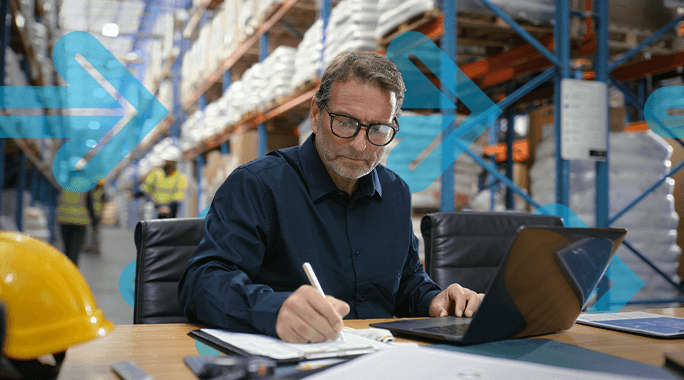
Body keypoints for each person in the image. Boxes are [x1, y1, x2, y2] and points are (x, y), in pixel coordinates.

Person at [178, 51, 484, 343]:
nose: (361, 146)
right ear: (315, 115)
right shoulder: (257, 185)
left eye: (377, 130)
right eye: (346, 124)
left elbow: (406, 282)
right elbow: (202, 282)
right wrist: (273, 310)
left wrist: (435, 299)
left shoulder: (395, 192)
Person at [139, 145, 188, 219]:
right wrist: (137, 193)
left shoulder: (180, 177)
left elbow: (179, 195)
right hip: (155, 208)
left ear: (173, 162)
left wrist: (169, 207)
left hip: (171, 210)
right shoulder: (156, 173)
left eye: (166, 160)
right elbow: (147, 188)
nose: (164, 162)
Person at [57, 185, 97, 266]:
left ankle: (67, 272)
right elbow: (89, 202)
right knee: (74, 250)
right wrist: (94, 222)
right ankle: (73, 274)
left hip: (64, 219)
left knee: (67, 249)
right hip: (79, 221)